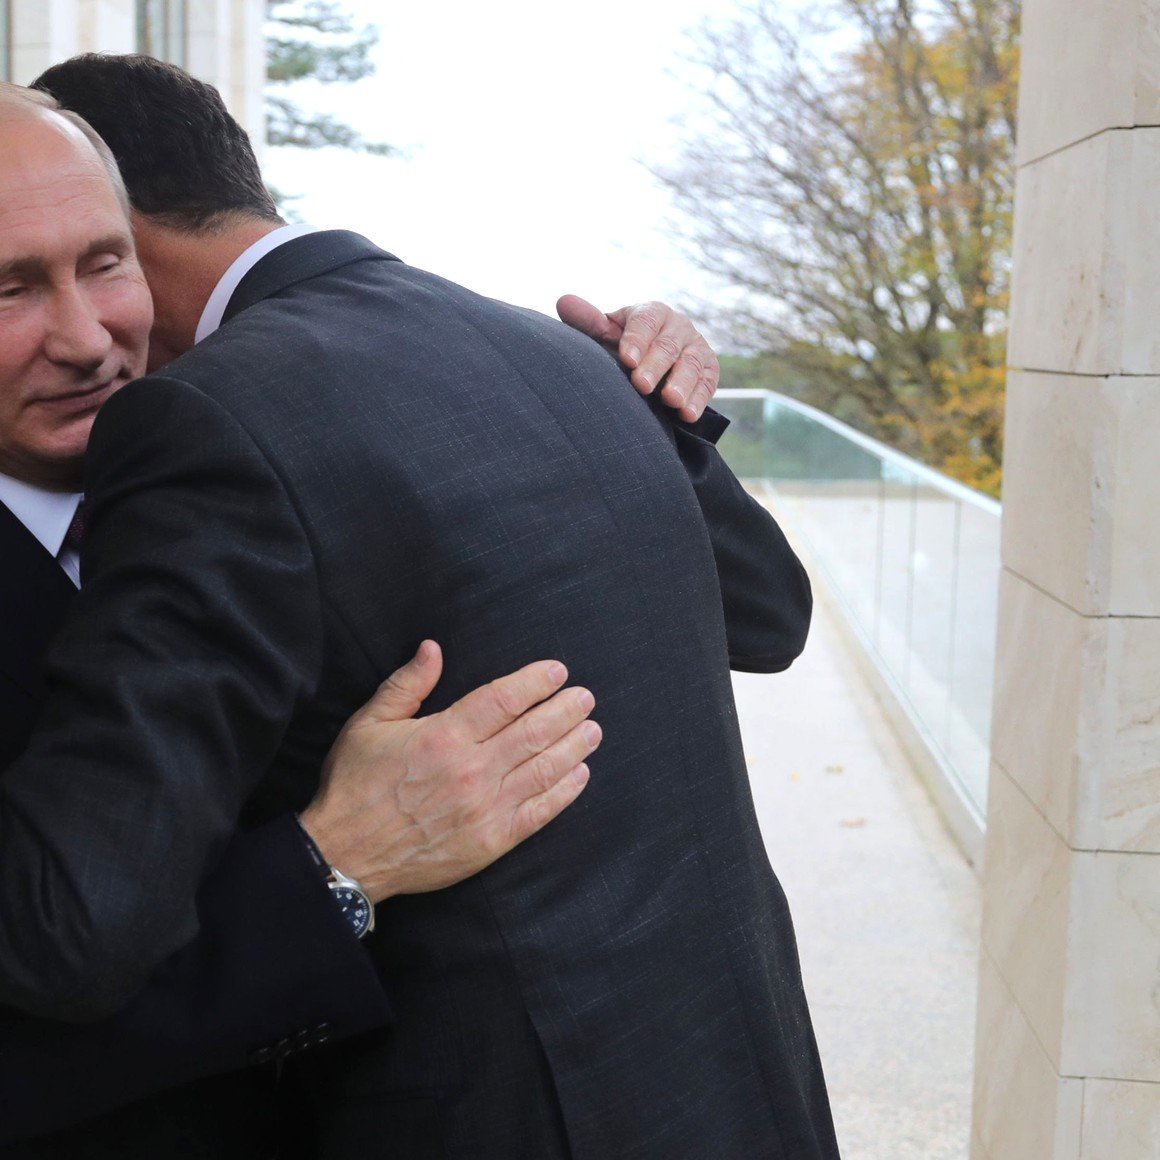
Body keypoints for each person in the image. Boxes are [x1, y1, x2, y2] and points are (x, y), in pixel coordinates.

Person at [5, 54, 835, 1160]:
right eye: (11, 286)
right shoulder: (538, 344)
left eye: (102, 262)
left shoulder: (215, 421)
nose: (85, 335)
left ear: (131, 229)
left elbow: (765, 614)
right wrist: (337, 859)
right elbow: (772, 610)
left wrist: (660, 398)